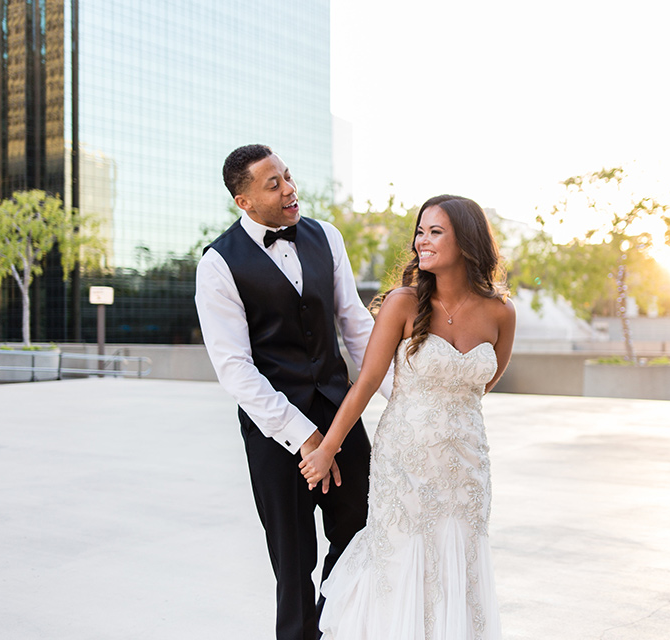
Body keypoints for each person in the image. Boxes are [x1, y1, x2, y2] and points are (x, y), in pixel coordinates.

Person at [195, 144, 390, 640]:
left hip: (340, 416)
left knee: (358, 537)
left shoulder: (327, 236)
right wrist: (304, 438)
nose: (289, 189)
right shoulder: (218, 264)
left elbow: (356, 325)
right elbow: (235, 370)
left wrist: (399, 394)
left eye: (287, 175)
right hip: (273, 433)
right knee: (293, 557)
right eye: (273, 183)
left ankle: (340, 628)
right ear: (244, 201)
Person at [299, 194, 515, 639]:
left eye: (436, 232)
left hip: (467, 466)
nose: (422, 241)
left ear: (467, 242)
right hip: (406, 461)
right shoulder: (402, 303)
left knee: (460, 557)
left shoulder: (501, 311)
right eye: (421, 231)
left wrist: (451, 414)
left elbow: (483, 384)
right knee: (402, 556)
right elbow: (364, 385)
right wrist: (327, 448)